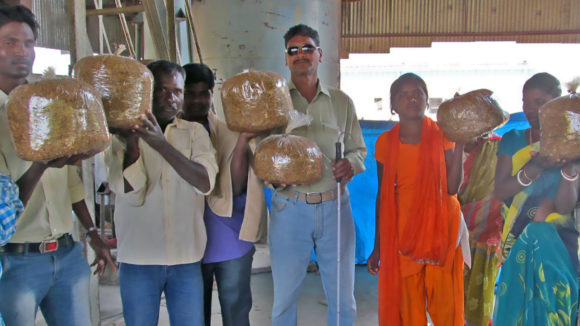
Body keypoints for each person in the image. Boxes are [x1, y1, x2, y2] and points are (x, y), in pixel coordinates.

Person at [0, 5, 115, 325]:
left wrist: (92, 232)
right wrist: (41, 165)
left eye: (27, 43)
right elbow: (3, 204)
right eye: (10, 42)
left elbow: (70, 180)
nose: (21, 51)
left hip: (66, 253)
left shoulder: (49, 100)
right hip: (14, 261)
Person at [105, 60, 218, 326]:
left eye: (177, 91)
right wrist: (134, 140)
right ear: (147, 90)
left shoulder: (194, 133)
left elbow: (204, 182)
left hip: (186, 258)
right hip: (138, 258)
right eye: (162, 89)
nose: (171, 98)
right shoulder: (120, 137)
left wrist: (160, 143)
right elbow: (131, 193)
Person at [268, 24, 366, 326]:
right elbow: (263, 152)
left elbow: (358, 150)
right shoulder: (276, 102)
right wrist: (273, 175)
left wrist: (350, 164)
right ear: (286, 59)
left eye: (307, 47)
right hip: (290, 207)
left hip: (335, 207)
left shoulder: (341, 102)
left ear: (319, 54)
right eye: (293, 50)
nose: (301, 55)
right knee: (284, 298)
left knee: (342, 299)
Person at [367, 73, 466, 326]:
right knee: (409, 309)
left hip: (441, 232)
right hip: (403, 237)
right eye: (404, 94)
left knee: (446, 306)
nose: (412, 98)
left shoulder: (443, 135)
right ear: (393, 105)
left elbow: (453, 188)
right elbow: (384, 196)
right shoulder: (385, 143)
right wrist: (378, 247)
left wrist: (462, 143)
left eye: (418, 93)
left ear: (426, 99)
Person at [180, 63, 266, 326]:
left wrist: (242, 143)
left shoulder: (227, 131)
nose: (197, 101)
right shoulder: (169, 135)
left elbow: (237, 186)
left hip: (229, 235)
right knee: (194, 316)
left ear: (211, 94)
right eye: (190, 94)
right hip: (187, 240)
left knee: (236, 311)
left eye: (203, 93)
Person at [492, 73, 578, 325]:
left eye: (539, 102)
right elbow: (501, 191)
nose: (530, 109)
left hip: (561, 244)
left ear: (556, 104)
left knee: (555, 311)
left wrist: (570, 169)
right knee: (517, 310)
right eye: (525, 102)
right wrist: (533, 168)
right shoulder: (513, 140)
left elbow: (565, 205)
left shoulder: (573, 145)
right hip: (518, 238)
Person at [458, 134, 503, 326]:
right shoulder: (445, 145)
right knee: (450, 297)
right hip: (453, 232)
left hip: (488, 232)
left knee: (480, 297)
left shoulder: (497, 146)